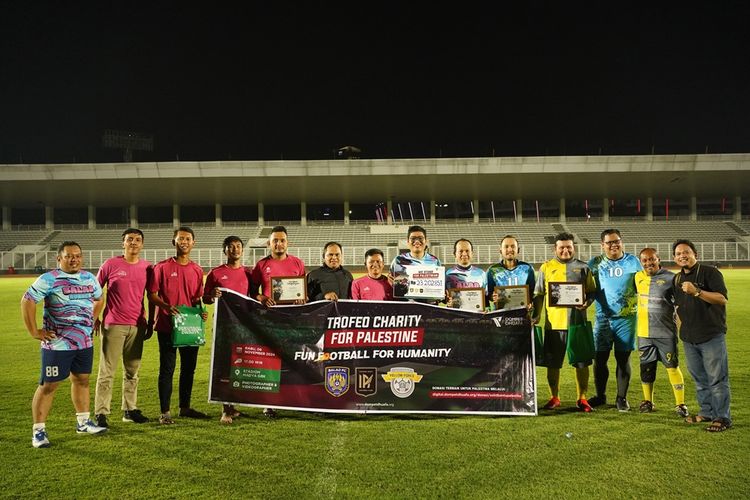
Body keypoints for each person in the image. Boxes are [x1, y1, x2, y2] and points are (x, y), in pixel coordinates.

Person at [21, 241, 107, 448]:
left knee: (82, 380)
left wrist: (90, 319)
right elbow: (27, 300)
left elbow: (99, 298)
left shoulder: (88, 278)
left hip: (83, 342)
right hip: (57, 343)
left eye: (77, 255)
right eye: (69, 256)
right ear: (59, 259)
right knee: (49, 385)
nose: (74, 259)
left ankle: (83, 422)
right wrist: (34, 331)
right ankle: (39, 431)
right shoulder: (49, 279)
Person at [147, 226, 208, 424]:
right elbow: (152, 294)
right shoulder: (161, 267)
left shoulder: (197, 270)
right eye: (180, 238)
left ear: (193, 243)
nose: (184, 242)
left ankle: (185, 407)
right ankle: (165, 412)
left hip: (189, 327)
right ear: (174, 242)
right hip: (167, 326)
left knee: (189, 369)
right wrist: (166, 306)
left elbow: (197, 298)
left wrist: (201, 312)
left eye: (188, 239)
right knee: (167, 369)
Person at [93, 228, 151, 428]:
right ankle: (101, 412)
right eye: (130, 240)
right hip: (113, 325)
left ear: (142, 244)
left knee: (132, 371)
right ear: (123, 243)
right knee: (106, 371)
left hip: (137, 325)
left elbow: (150, 296)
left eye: (137, 240)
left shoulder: (147, 267)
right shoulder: (111, 264)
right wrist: (95, 317)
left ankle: (129, 409)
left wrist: (150, 323)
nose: (134, 243)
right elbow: (94, 291)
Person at [532, 233, 596, 412]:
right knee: (553, 363)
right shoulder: (546, 267)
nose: (565, 250)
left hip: (577, 323)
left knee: (582, 363)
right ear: (555, 249)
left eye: (569, 247)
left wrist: (587, 302)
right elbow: (539, 294)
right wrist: (536, 315)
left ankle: (582, 398)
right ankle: (554, 397)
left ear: (574, 247)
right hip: (554, 325)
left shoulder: (583, 268)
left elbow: (592, 292)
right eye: (561, 247)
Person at [672, 239, 731, 432]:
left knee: (717, 378)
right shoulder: (677, 279)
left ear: (695, 254)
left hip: (711, 334)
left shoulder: (710, 272)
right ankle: (706, 412)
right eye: (679, 253)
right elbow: (678, 307)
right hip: (689, 338)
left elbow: (722, 299)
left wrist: (697, 291)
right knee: (699, 379)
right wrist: (682, 330)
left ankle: (722, 417)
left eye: (686, 252)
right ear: (674, 258)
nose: (683, 256)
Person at [249, 225, 306, 418]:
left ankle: (292, 398)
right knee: (270, 362)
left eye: (282, 240)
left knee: (293, 359)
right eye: (275, 240)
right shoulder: (261, 265)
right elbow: (252, 292)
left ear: (287, 243)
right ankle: (269, 403)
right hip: (270, 320)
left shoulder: (298, 263)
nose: (279, 244)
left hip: (291, 319)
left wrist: (301, 299)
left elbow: (301, 291)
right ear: (269, 243)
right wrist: (262, 298)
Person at [587, 229, 642, 412]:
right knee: (600, 359)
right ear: (602, 245)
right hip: (602, 318)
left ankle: (621, 398)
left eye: (616, 241)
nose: (613, 245)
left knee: (622, 358)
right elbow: (588, 290)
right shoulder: (594, 263)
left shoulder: (633, 261)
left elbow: (644, 285)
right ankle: (600, 396)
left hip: (626, 318)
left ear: (621, 241)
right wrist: (583, 302)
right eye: (609, 242)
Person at [634, 248, 689, 417]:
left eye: (652, 259)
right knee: (646, 368)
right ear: (641, 262)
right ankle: (647, 401)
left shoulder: (671, 278)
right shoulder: (637, 277)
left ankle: (680, 404)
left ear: (658, 259)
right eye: (645, 260)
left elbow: (680, 303)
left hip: (666, 333)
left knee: (672, 367)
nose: (648, 263)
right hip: (644, 333)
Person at [203, 235, 252, 424]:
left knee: (239, 364)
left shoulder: (248, 273)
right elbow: (205, 298)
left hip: (243, 326)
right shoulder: (216, 273)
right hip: (223, 324)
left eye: (238, 246)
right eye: (231, 247)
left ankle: (233, 406)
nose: (235, 249)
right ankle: (225, 409)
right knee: (224, 365)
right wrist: (211, 295)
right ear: (225, 251)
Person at [389, 225, 442, 302]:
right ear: (407, 241)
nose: (417, 241)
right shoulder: (398, 260)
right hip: (405, 307)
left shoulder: (435, 261)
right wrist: (391, 283)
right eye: (413, 238)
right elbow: (391, 282)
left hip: (429, 307)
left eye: (420, 238)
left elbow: (439, 286)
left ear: (426, 241)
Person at [486, 235, 536, 311]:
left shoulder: (527, 268)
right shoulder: (492, 270)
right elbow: (488, 294)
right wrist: (493, 297)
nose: (509, 249)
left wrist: (530, 304)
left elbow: (532, 293)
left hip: (522, 315)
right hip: (500, 315)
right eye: (506, 246)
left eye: (513, 246)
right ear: (500, 250)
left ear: (518, 250)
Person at [444, 239, 487, 308]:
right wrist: (448, 302)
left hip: (476, 316)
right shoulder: (447, 274)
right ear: (455, 254)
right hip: (455, 316)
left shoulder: (482, 274)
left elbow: (486, 299)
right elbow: (444, 300)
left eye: (467, 251)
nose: (464, 254)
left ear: (472, 253)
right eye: (461, 251)